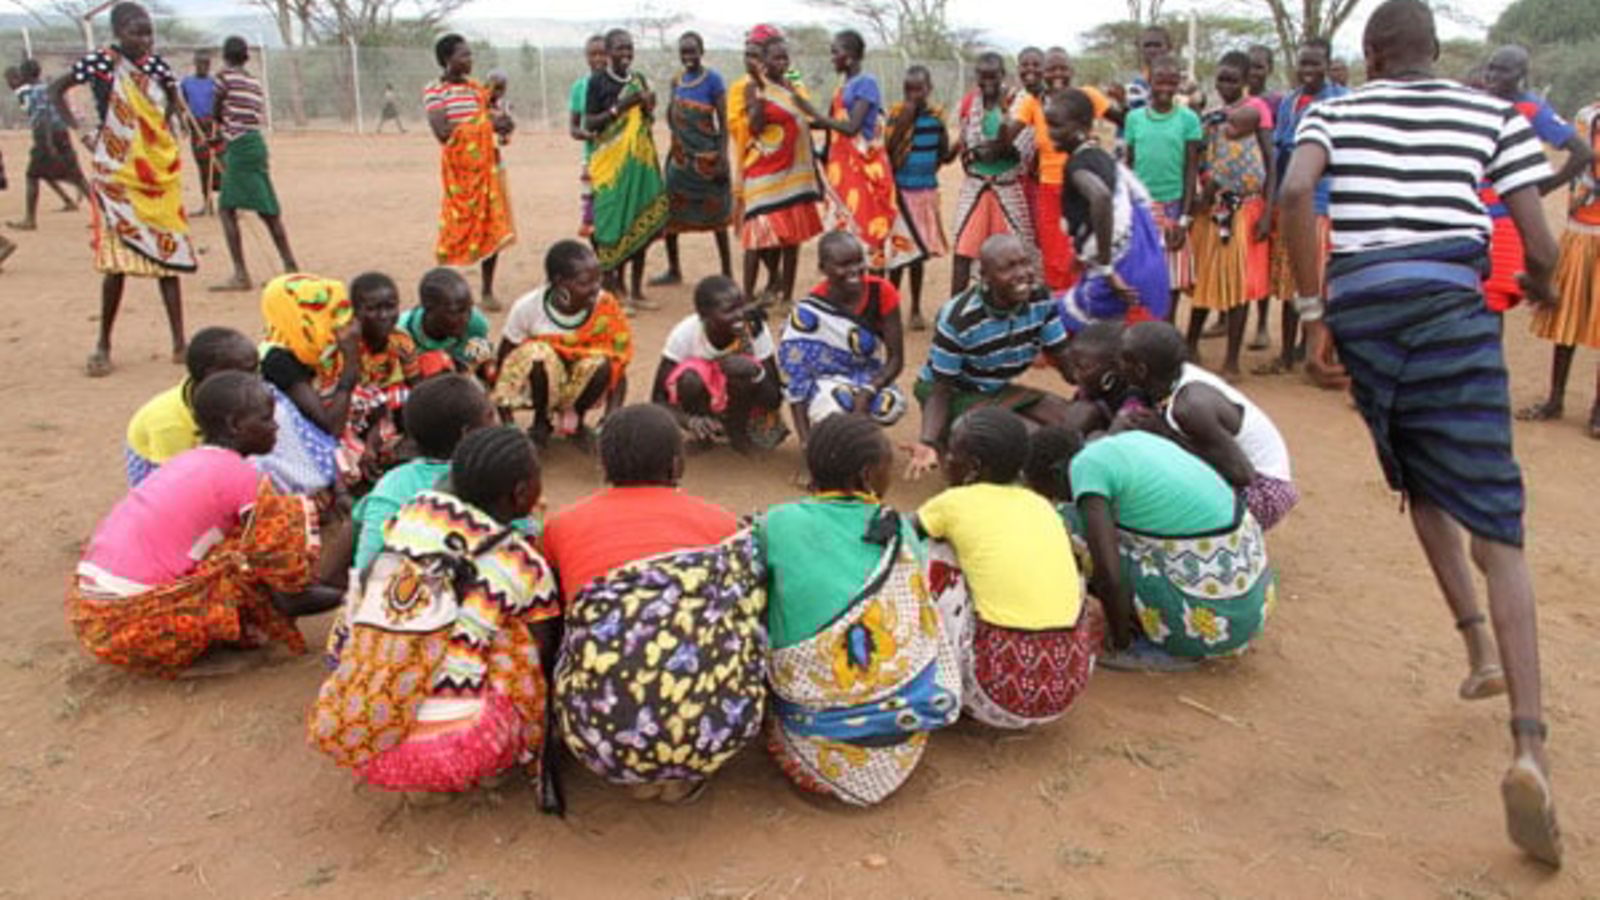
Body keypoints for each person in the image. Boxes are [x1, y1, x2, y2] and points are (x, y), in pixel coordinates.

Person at [1281, 0, 1562, 865]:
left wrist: (1313, 312)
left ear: (1369, 56)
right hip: (1450, 306)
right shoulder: (1491, 113)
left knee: (1418, 477)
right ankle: (1528, 746)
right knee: (1500, 526)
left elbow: (1294, 192)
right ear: (1436, 52)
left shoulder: (1336, 110)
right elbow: (1537, 240)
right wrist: (1542, 286)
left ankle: (1476, 649)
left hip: (1366, 310)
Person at [310, 426, 565, 811]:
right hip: (458, 752)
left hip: (363, 736)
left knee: (403, 600)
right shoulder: (521, 562)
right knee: (518, 639)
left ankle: (420, 754)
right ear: (520, 493)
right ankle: (480, 757)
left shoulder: (415, 513)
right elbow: (545, 651)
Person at [548, 405, 765, 805]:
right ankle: (685, 768)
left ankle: (631, 759)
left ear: (602, 464)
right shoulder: (723, 525)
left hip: (601, 742)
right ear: (677, 465)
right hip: (712, 736)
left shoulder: (561, 527)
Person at [69, 371, 344, 677]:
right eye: (266, 418)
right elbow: (289, 596)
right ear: (236, 425)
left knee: (246, 542)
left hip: (93, 616)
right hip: (134, 624)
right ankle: (191, 647)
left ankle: (202, 629)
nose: (275, 426)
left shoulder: (187, 460)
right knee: (288, 519)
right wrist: (351, 595)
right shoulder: (243, 479)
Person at [761, 414, 960, 805]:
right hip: (900, 753)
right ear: (868, 475)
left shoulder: (776, 524)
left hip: (810, 755)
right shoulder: (900, 531)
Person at [1031, 423, 1274, 669]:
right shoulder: (1130, 440)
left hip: (1208, 621)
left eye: (1050, 492)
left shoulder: (1086, 468)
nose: (1056, 497)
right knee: (1100, 529)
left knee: (1068, 522)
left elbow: (1109, 575)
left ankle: (1141, 641)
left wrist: (1120, 642)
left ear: (1055, 472)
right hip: (1250, 607)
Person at [915, 408, 1096, 729]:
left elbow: (902, 534)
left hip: (996, 693)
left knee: (933, 552)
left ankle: (932, 679)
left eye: (952, 452)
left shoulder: (954, 503)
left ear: (973, 467)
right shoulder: (1042, 505)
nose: (945, 459)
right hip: (1064, 688)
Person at [52, 1, 195, 377]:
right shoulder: (99, 62)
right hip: (118, 173)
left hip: (156, 174)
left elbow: (173, 99)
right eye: (136, 32)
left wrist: (161, 134)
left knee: (168, 259)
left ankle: (179, 343)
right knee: (116, 266)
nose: (145, 39)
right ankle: (103, 344)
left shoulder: (157, 66)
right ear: (117, 32)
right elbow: (56, 89)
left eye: (148, 32)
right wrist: (84, 133)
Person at [906, 234, 1076, 479]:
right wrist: (928, 441)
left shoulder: (1040, 299)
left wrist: (1095, 389)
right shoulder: (959, 319)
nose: (1022, 274)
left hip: (995, 387)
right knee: (1023, 438)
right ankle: (951, 438)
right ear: (985, 277)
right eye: (1008, 268)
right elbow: (941, 389)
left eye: (1024, 263)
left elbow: (1062, 355)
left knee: (1071, 420)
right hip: (954, 391)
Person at [1120, 321, 1297, 530]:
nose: (1117, 365)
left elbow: (1242, 473)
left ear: (1141, 370)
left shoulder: (1190, 406)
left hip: (1263, 492)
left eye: (1122, 360)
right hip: (1250, 480)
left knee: (1153, 494)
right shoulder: (1171, 377)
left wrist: (1166, 434)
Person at [790, 29, 918, 273]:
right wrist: (802, 119)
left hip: (863, 171)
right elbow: (833, 126)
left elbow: (851, 127)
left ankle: (872, 286)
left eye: (835, 52)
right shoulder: (845, 86)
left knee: (868, 228)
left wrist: (813, 113)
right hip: (844, 171)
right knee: (847, 230)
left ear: (849, 56)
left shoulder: (866, 83)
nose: (832, 58)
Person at [1477, 46, 1592, 317]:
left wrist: (1545, 187)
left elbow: (1582, 152)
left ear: (1521, 74)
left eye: (1503, 70)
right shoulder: (1477, 103)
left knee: (1492, 301)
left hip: (1505, 217)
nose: (1492, 76)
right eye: (1491, 68)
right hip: (1471, 213)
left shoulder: (1532, 109)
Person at [1046, 89, 1172, 333]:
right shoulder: (1101, 156)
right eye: (1048, 124)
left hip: (1122, 271)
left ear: (1082, 126)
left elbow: (1101, 198)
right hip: (1140, 265)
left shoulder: (1079, 165)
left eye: (1057, 125)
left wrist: (1106, 269)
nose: (1050, 133)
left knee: (1058, 326)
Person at [1259, 36, 1349, 377]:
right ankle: (1286, 354)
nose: (1308, 70)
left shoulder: (1342, 101)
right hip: (1293, 205)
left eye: (1315, 63)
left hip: (1326, 205)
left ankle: (1325, 355)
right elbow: (1281, 154)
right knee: (1290, 282)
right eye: (1303, 63)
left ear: (1327, 65)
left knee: (1325, 284)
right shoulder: (1289, 103)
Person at [492, 240, 632, 447]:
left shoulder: (605, 307)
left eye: (598, 279)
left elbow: (618, 368)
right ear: (559, 282)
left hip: (581, 383)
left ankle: (577, 420)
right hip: (536, 387)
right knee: (537, 354)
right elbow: (504, 362)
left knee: (603, 363)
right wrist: (508, 425)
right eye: (585, 283)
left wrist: (608, 422)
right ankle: (541, 421)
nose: (595, 289)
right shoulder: (527, 308)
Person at [349, 373, 495, 572]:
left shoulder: (392, 482)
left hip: (379, 586)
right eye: (490, 416)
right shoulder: (490, 479)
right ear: (468, 433)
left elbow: (364, 562)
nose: (497, 425)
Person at [1187, 50, 1276, 376]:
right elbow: (1201, 157)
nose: (1225, 85)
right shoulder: (1213, 116)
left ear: (1246, 81)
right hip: (1213, 206)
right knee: (1205, 277)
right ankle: (1190, 345)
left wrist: (1267, 212)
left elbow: (1270, 162)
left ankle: (1232, 361)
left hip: (1245, 208)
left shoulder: (1256, 111)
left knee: (1239, 285)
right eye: (1221, 79)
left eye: (1232, 80)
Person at [1520, 93, 1600, 433]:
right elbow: (1580, 161)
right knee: (1565, 316)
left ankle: (1598, 409)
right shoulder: (1587, 116)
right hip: (1581, 228)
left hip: (1586, 223)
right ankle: (1555, 398)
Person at [780, 232, 907, 445]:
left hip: (868, 375)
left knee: (888, 406)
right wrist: (806, 443)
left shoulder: (881, 292)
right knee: (834, 406)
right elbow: (796, 376)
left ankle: (859, 436)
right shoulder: (811, 312)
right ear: (823, 268)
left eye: (858, 261)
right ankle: (828, 440)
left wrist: (869, 390)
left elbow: (896, 359)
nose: (855, 270)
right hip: (825, 381)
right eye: (844, 265)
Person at [425, 33, 515, 313]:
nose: (469, 60)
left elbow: (493, 118)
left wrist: (503, 123)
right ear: (447, 59)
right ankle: (448, 291)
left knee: (491, 226)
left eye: (470, 54)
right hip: (460, 172)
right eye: (463, 55)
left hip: (487, 167)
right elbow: (442, 132)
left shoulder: (477, 90)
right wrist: (487, 125)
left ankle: (487, 290)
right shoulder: (435, 91)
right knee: (457, 226)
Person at [1011, 48, 1112, 294]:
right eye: (1051, 69)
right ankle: (1060, 311)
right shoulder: (1034, 102)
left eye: (1063, 68)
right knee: (1054, 255)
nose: (1058, 74)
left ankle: (1083, 303)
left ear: (1072, 71)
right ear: (1043, 73)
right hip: (1050, 187)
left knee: (1083, 248)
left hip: (1084, 185)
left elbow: (1126, 119)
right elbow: (1008, 135)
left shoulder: (1087, 96)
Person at [735, 26, 824, 307]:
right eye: (776, 58)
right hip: (763, 171)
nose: (782, 63)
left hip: (793, 175)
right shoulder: (753, 87)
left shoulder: (790, 87)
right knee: (756, 237)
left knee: (791, 240)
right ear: (764, 61)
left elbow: (807, 122)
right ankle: (748, 297)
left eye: (785, 58)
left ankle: (786, 297)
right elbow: (755, 127)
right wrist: (761, 96)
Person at [652, 275, 787, 452]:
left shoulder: (754, 329)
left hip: (745, 408)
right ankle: (703, 432)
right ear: (704, 316)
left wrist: (756, 373)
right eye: (729, 310)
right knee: (690, 378)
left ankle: (738, 432)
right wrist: (688, 420)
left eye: (741, 305)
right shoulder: (684, 334)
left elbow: (774, 399)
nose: (740, 315)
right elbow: (658, 400)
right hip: (702, 405)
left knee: (741, 371)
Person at [583, 28, 666, 310]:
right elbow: (590, 123)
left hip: (638, 165)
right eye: (620, 48)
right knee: (611, 225)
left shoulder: (638, 80)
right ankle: (611, 290)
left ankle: (636, 291)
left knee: (639, 221)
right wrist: (620, 107)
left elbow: (645, 121)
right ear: (608, 53)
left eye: (629, 48)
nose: (626, 53)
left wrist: (647, 106)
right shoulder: (598, 81)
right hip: (610, 167)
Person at [254, 273, 357, 497]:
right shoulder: (277, 360)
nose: (343, 323)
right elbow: (331, 427)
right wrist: (351, 361)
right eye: (324, 312)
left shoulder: (308, 348)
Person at [210, 36, 298, 293]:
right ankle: (290, 265)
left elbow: (216, 111)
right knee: (267, 209)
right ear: (246, 57)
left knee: (227, 209)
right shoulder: (254, 82)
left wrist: (219, 132)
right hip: (255, 144)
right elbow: (248, 116)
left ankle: (241, 274)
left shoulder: (224, 78)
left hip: (238, 148)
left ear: (225, 56)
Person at [125, 326, 258, 487]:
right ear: (211, 374)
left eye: (257, 370)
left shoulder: (228, 397)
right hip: (161, 471)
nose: (257, 379)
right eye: (247, 372)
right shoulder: (169, 423)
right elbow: (173, 483)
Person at [1124, 54, 1201, 319]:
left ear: (1179, 84)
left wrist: (1184, 219)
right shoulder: (1134, 119)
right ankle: (1143, 332)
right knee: (1141, 275)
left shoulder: (1188, 120)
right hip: (1142, 209)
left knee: (1171, 279)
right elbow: (1128, 168)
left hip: (1174, 208)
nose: (1166, 89)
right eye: (1160, 82)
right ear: (1149, 81)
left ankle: (1166, 332)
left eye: (1172, 82)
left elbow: (1190, 171)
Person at [951, 52, 1033, 297]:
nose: (987, 83)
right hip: (976, 188)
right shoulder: (970, 104)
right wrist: (982, 152)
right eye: (983, 77)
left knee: (1015, 252)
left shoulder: (1017, 103)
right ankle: (954, 308)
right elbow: (967, 147)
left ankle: (1015, 305)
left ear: (1003, 75)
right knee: (963, 251)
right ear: (976, 76)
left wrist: (991, 149)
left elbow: (1023, 149)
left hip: (1007, 188)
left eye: (993, 77)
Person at [657, 31, 733, 285]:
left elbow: (724, 122)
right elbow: (671, 115)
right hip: (680, 160)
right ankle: (674, 269)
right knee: (670, 215)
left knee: (718, 216)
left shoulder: (714, 80)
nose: (688, 56)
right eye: (683, 52)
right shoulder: (677, 80)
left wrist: (722, 157)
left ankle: (727, 271)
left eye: (692, 51)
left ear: (702, 51)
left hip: (707, 159)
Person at [885, 65, 954, 330]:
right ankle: (890, 307)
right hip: (901, 195)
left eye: (919, 89)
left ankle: (915, 308)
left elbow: (943, 154)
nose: (913, 95)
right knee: (897, 257)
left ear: (929, 89)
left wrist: (958, 148)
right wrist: (906, 119)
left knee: (917, 257)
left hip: (924, 194)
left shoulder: (935, 119)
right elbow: (889, 150)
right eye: (908, 90)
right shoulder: (896, 115)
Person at [336, 271, 419, 488]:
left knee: (403, 395)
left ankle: (390, 446)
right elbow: (344, 391)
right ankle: (365, 454)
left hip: (385, 410)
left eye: (390, 307)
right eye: (372, 309)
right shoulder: (346, 344)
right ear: (355, 312)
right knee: (363, 398)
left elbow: (416, 385)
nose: (383, 315)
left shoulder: (401, 341)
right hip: (354, 412)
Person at [7, 58, 88, 232]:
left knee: (32, 176)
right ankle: (106, 215)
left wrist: (47, 144)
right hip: (62, 133)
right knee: (77, 177)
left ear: (24, 75)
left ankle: (30, 220)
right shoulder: (50, 88)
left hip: (46, 136)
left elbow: (42, 117)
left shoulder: (35, 92)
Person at [399, 267, 494, 381]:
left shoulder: (476, 324)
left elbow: (484, 366)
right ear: (428, 308)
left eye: (469, 308)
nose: (465, 318)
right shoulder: (400, 334)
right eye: (454, 312)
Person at [569, 35, 607, 238]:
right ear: (586, 57)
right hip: (591, 158)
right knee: (591, 218)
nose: (598, 59)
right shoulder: (579, 88)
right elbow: (573, 128)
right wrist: (588, 135)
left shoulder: (619, 85)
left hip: (618, 159)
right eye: (593, 54)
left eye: (603, 54)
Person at [178, 51, 218, 217]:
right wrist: (183, 123)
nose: (204, 67)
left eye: (207, 64)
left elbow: (220, 104)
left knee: (219, 164)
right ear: (195, 64)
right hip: (196, 127)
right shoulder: (187, 83)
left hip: (213, 127)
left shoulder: (215, 83)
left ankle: (228, 204)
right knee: (203, 165)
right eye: (201, 64)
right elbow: (181, 104)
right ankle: (207, 203)